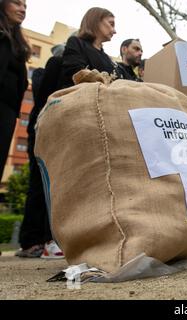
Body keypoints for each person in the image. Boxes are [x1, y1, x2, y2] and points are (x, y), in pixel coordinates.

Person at [16, 44, 65, 259]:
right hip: (41, 131)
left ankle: (39, 240)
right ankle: (32, 241)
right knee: (39, 186)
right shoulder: (44, 73)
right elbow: (43, 97)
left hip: (49, 131)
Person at [0, 0, 30, 183]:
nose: (23, 9)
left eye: (25, 6)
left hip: (7, 112)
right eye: (17, 3)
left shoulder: (18, 43)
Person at [59, 7, 117, 89]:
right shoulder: (76, 43)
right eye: (111, 24)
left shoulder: (107, 59)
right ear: (96, 21)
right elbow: (77, 74)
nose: (114, 31)